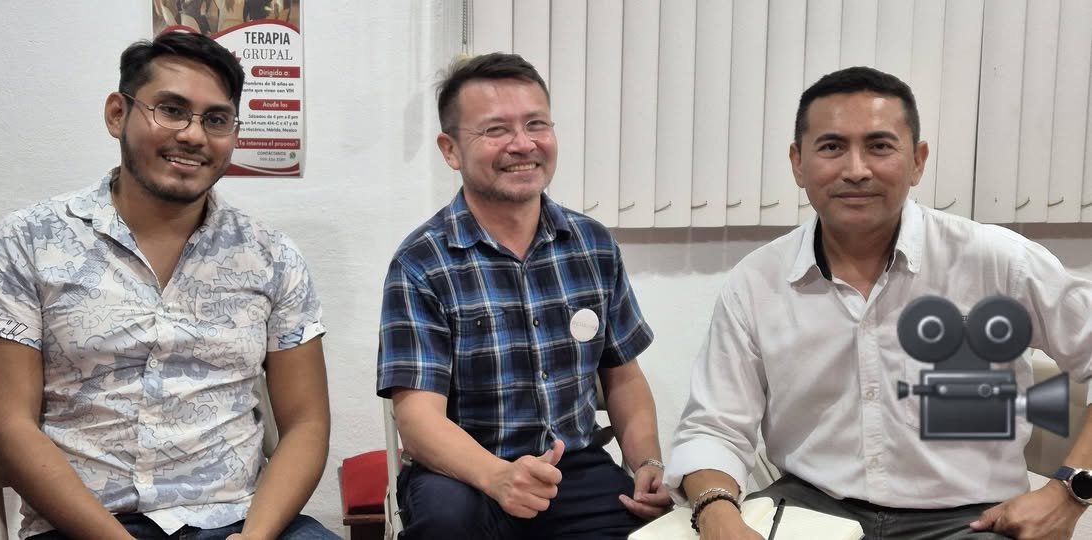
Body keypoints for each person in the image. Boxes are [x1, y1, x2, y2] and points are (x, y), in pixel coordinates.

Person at [666, 65, 1092, 540]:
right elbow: (713, 427)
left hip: (971, 519)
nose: (856, 170)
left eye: (879, 146)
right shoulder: (756, 282)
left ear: (917, 161)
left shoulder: (997, 261)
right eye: (831, 147)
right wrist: (717, 514)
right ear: (797, 163)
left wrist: (1070, 492)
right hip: (813, 510)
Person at [0, 31, 337, 540]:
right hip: (84, 526)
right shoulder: (28, 242)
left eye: (216, 119)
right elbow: (6, 431)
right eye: (171, 110)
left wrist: (255, 536)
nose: (194, 135)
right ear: (117, 114)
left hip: (237, 519)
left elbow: (307, 424)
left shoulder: (271, 256)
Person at [376, 52, 672, 539]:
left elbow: (623, 378)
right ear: (451, 150)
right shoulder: (422, 263)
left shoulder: (592, 245)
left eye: (536, 124)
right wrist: (497, 477)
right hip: (464, 472)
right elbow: (417, 418)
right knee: (445, 522)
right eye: (495, 130)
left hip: (573, 468)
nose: (523, 144)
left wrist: (647, 463)